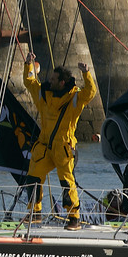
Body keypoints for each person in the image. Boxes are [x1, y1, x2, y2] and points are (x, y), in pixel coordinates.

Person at [22, 54, 98, 227]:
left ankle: (74, 218)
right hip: (45, 146)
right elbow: (30, 83)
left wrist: (86, 74)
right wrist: (28, 64)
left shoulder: (75, 97)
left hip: (64, 147)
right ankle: (35, 213)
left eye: (54, 79)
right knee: (33, 176)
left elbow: (90, 92)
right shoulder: (44, 94)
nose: (50, 81)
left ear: (62, 82)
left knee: (66, 181)